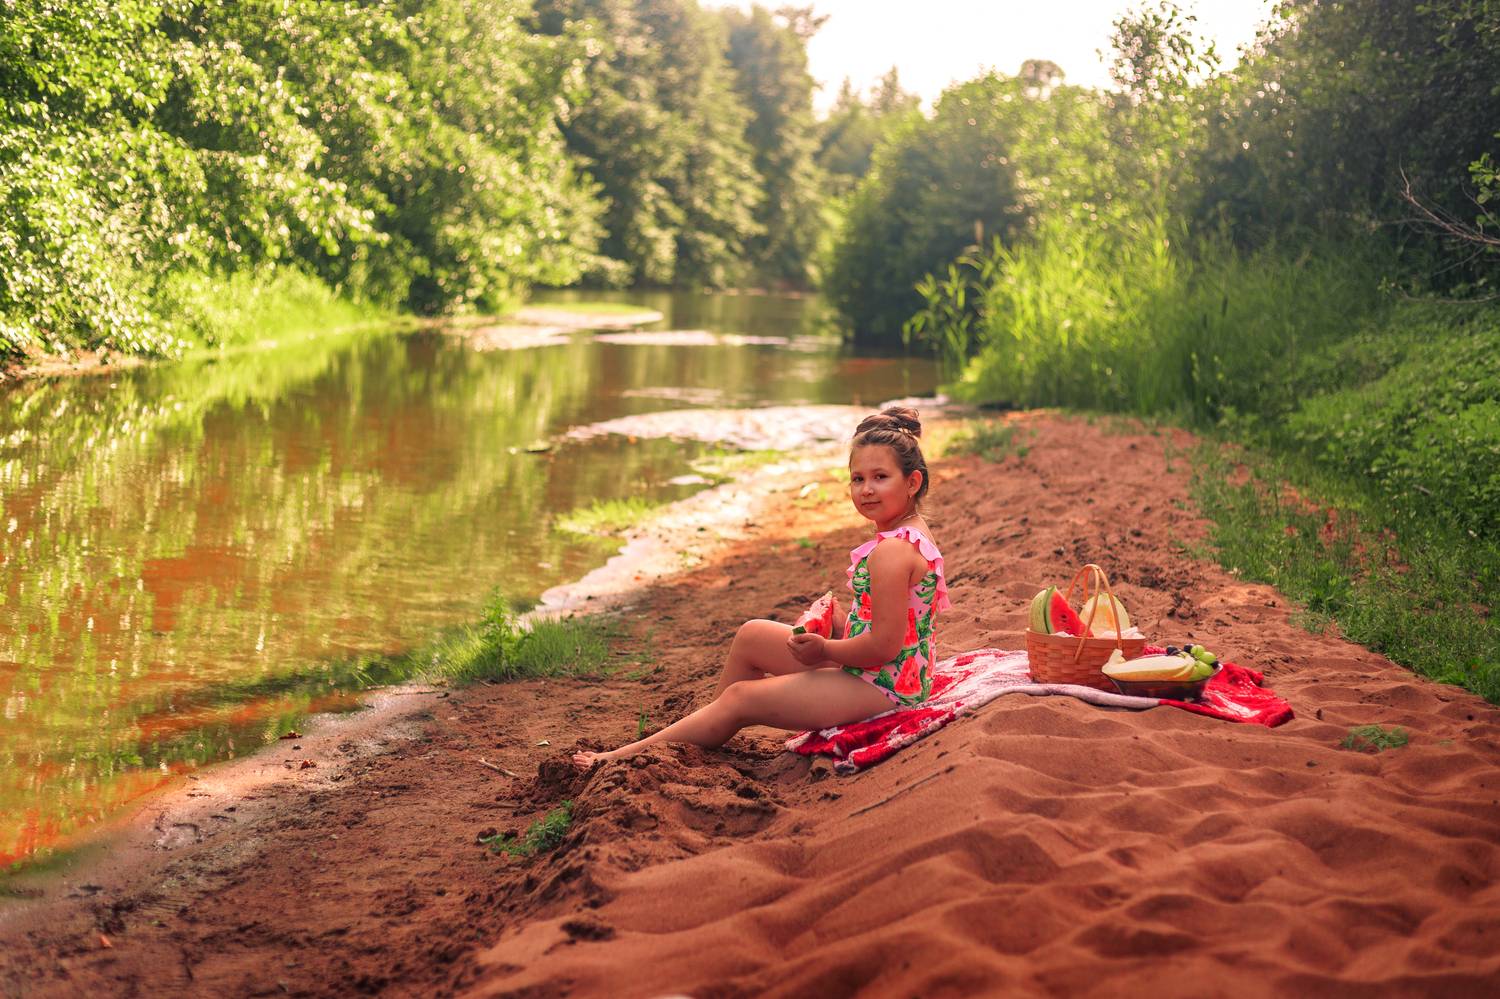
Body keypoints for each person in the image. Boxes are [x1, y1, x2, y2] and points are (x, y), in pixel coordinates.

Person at [571, 406, 952, 769]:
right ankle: (708, 727)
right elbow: (897, 624)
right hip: (892, 671)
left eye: (880, 477)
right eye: (858, 479)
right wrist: (841, 627)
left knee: (741, 697)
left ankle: (625, 755)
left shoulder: (892, 552)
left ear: (912, 481)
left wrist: (824, 649)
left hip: (885, 687)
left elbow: (883, 647)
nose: (866, 489)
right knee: (751, 636)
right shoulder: (910, 532)